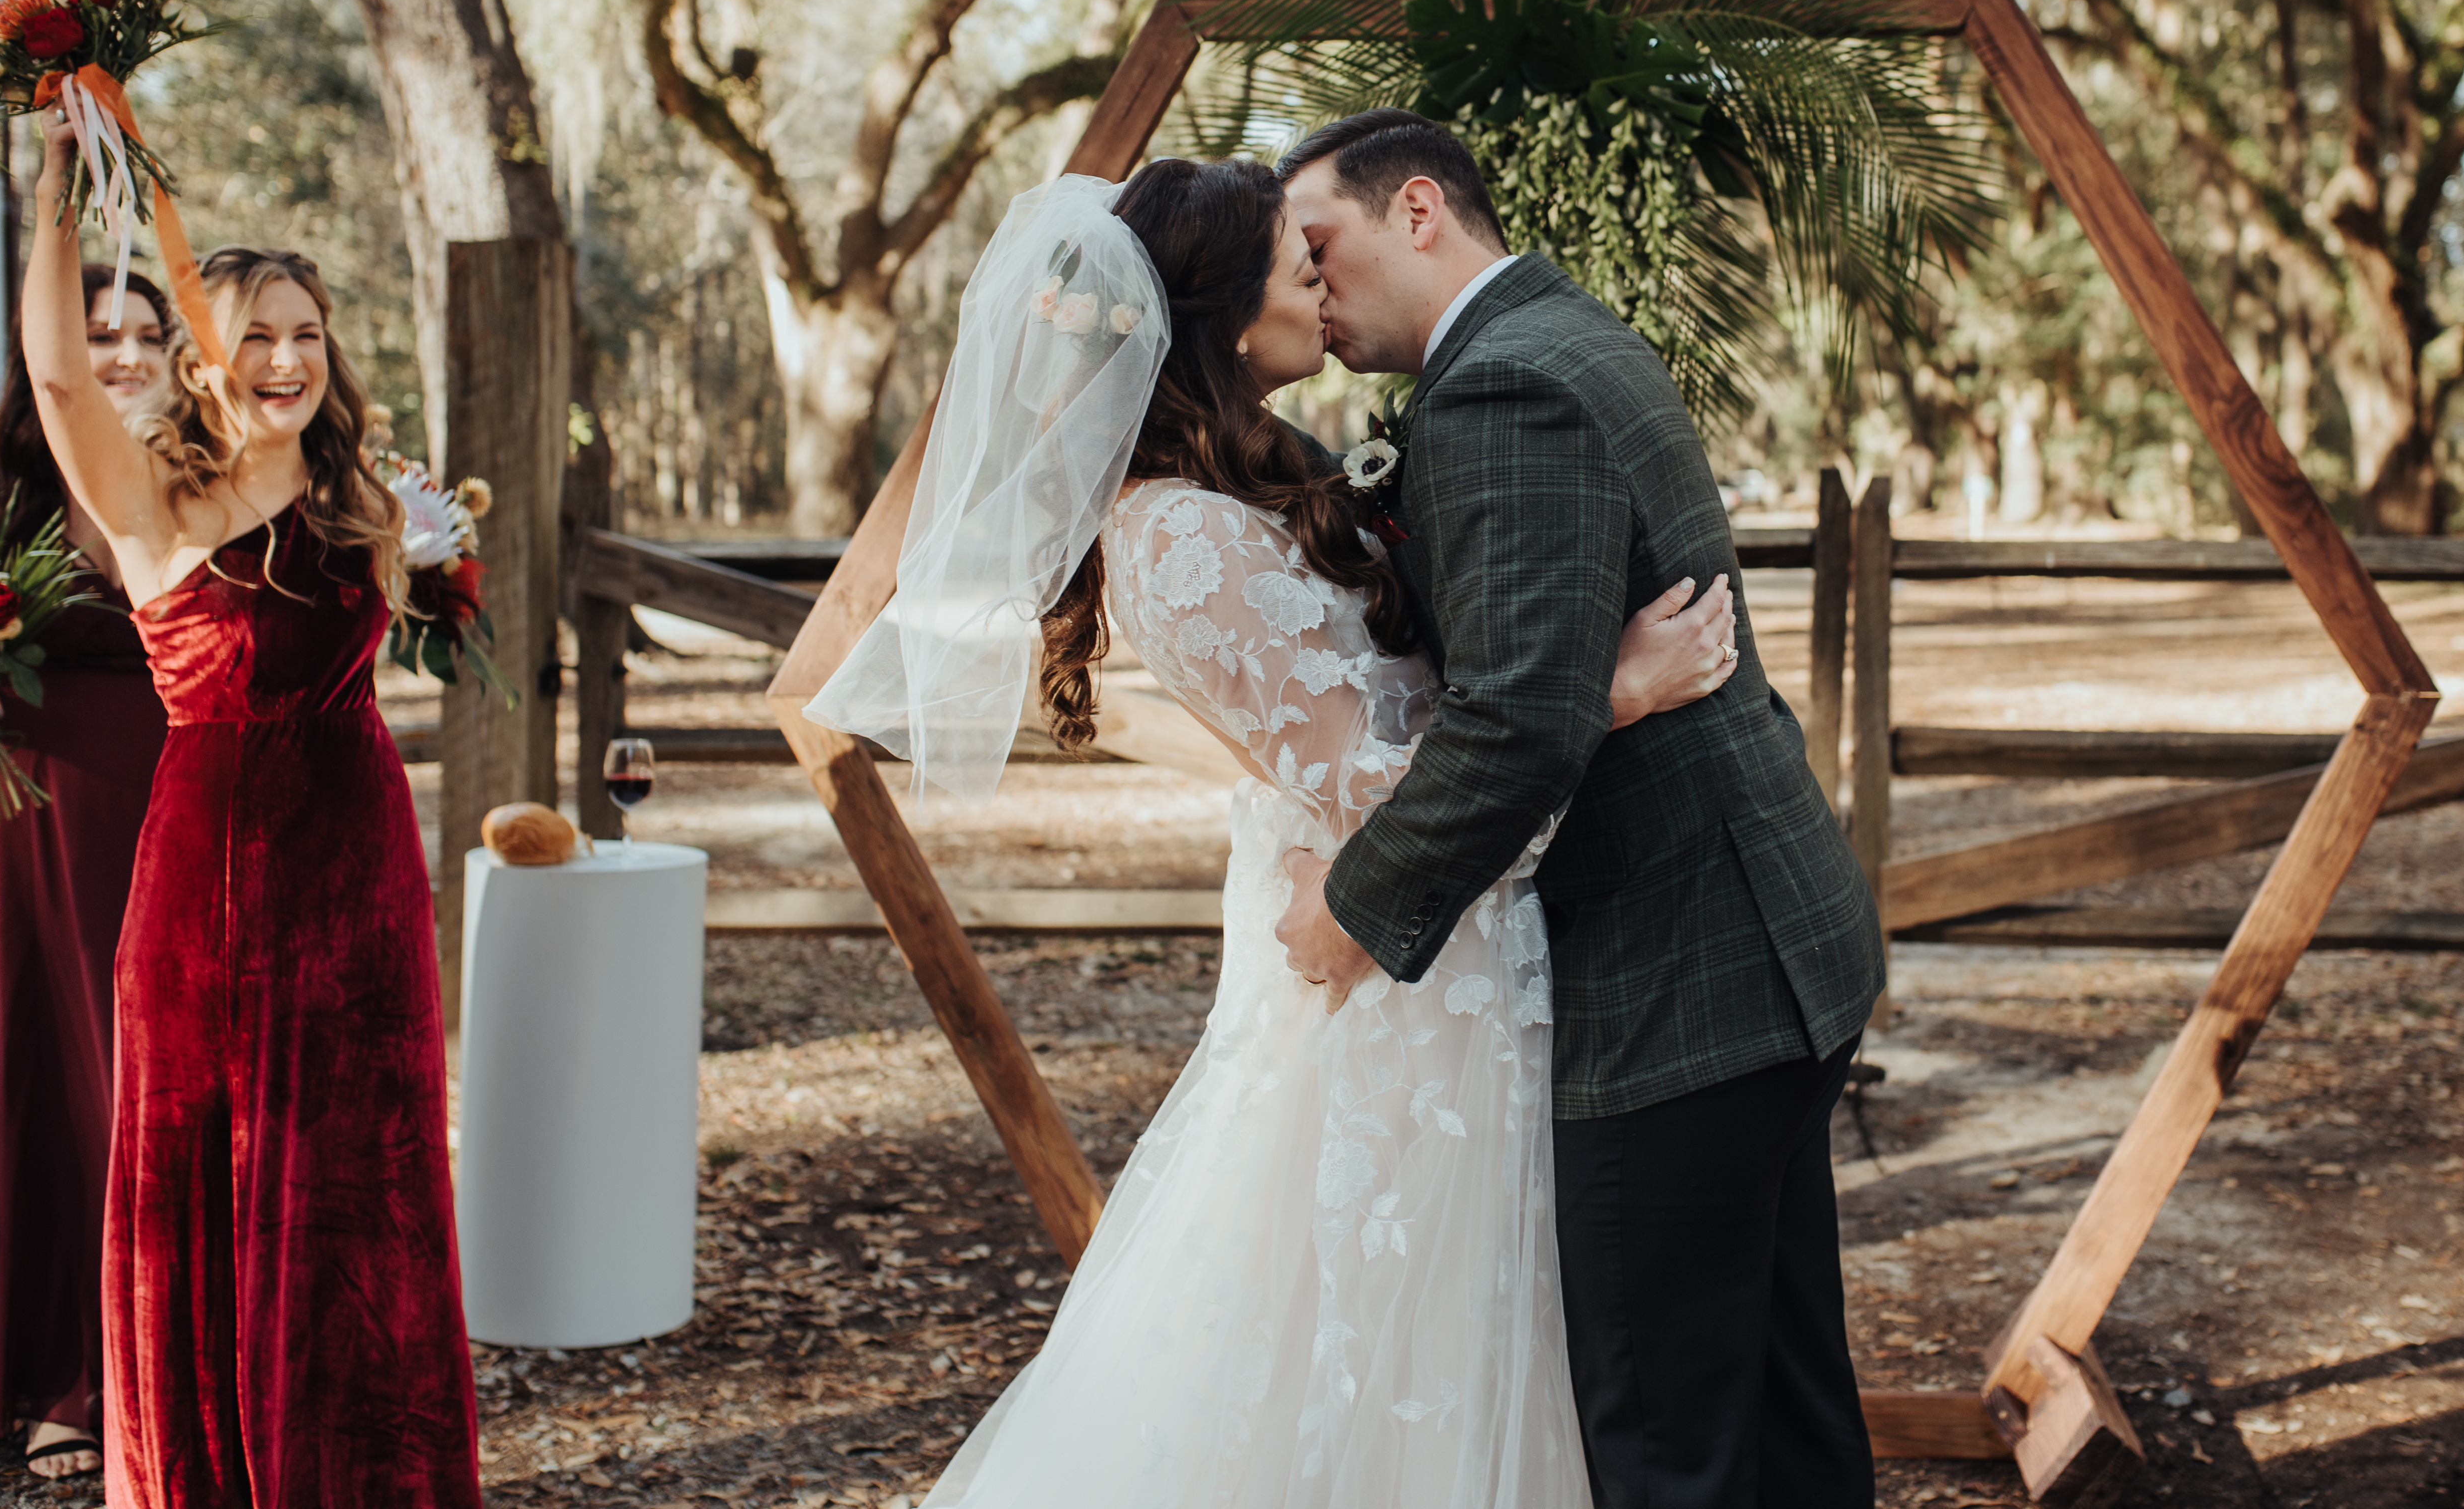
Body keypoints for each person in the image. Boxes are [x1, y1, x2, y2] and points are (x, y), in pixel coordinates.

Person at [806, 156, 1746, 1506]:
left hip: (1421, 937)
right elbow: (1372, 781)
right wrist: (1611, 689)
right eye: (1291, 258)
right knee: (1372, 1352)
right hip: (1387, 961)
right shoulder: (1178, 537)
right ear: (1217, 313)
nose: (1320, 271)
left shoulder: (1265, 478)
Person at [1271, 109, 1884, 1507]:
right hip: (1769, 952)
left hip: (1676, 987)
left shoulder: (1502, 390)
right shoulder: (1564, 336)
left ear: (1417, 211)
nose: (1312, 287)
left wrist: (1349, 918)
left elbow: (1516, 722)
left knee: (1667, 1447)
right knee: (1787, 1421)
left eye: (1324, 246)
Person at [19, 119, 480, 1506]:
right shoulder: (155, 495)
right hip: (211, 891)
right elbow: (53, 367)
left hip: (365, 879)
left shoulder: (359, 499)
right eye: (257, 335)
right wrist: (52, 169)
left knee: (365, 1192)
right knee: (204, 1196)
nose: (287, 360)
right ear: (205, 354)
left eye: (308, 336)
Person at [0, 265, 178, 1481]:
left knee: (122, 1072)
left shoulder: (210, 477)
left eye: (145, 334)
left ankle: (98, 1374)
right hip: (20, 808)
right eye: (97, 330)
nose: (120, 351)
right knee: (18, 1063)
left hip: (162, 801)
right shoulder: (10, 482)